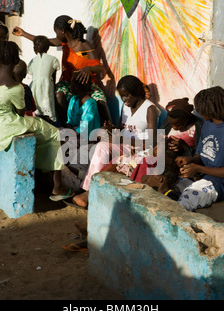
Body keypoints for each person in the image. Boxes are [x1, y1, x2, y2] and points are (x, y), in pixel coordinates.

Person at [0, 41, 73, 201]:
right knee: (54, 133)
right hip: (7, 126)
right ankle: (57, 186)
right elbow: (20, 114)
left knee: (40, 134)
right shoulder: (14, 87)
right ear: (15, 60)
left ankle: (43, 176)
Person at [71, 75, 159, 208]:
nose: (124, 99)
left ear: (137, 93)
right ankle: (89, 189)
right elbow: (121, 128)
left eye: (127, 95)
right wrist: (110, 130)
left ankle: (90, 193)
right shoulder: (126, 106)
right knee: (101, 146)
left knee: (104, 149)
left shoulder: (150, 109)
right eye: (122, 96)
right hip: (123, 144)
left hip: (139, 148)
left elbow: (151, 142)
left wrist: (119, 139)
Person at [12, 15, 108, 125]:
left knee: (100, 101)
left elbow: (99, 67)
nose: (56, 35)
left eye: (56, 32)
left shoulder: (84, 45)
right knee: (59, 95)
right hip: (68, 83)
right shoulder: (64, 43)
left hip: (86, 84)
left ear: (62, 31)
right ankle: (66, 125)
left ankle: (110, 125)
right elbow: (42, 42)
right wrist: (23, 34)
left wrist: (88, 68)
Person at [174, 86, 224, 212]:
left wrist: (198, 168)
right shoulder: (208, 125)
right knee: (168, 185)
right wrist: (190, 160)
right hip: (201, 175)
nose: (198, 111)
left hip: (219, 184)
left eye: (200, 108)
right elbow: (200, 155)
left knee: (186, 200)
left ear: (209, 109)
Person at [27, 35, 60, 123]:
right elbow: (53, 76)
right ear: (48, 48)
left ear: (34, 48)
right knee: (48, 105)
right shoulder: (53, 59)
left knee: (36, 110)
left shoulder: (32, 61)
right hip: (47, 86)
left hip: (34, 87)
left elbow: (32, 74)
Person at [65, 72, 101, 139]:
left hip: (88, 135)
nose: (70, 86)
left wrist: (75, 133)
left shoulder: (91, 103)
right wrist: (69, 130)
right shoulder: (74, 99)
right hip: (75, 132)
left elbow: (86, 123)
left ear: (78, 85)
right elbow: (70, 119)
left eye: (72, 83)